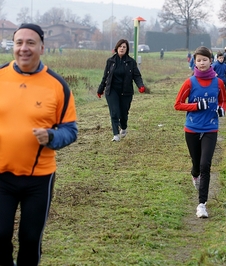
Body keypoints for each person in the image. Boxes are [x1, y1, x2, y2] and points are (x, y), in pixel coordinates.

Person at [0, 23, 78, 266]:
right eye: (19, 42)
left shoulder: (57, 86)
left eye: (30, 43)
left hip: (39, 179)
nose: (24, 48)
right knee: (0, 235)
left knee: (30, 238)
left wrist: (52, 137)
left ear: (42, 47)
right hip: (2, 176)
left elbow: (70, 130)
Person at [174, 46, 226, 218]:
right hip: (192, 128)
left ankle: (201, 205)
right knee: (197, 165)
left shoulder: (218, 83)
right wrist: (196, 106)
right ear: (194, 62)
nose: (202, 63)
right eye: (199, 60)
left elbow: (223, 101)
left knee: (206, 165)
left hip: (211, 128)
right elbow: (178, 104)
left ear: (211, 61)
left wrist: (221, 110)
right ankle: (194, 174)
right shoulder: (190, 82)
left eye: (205, 60)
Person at [97, 39, 146, 142]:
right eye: (120, 46)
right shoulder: (110, 61)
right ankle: (115, 135)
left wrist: (140, 86)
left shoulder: (131, 62)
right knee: (114, 112)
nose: (122, 48)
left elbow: (136, 76)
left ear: (127, 49)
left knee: (123, 114)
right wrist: (100, 89)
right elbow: (105, 76)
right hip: (112, 91)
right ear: (117, 48)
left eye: (124, 47)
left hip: (126, 91)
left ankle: (123, 127)